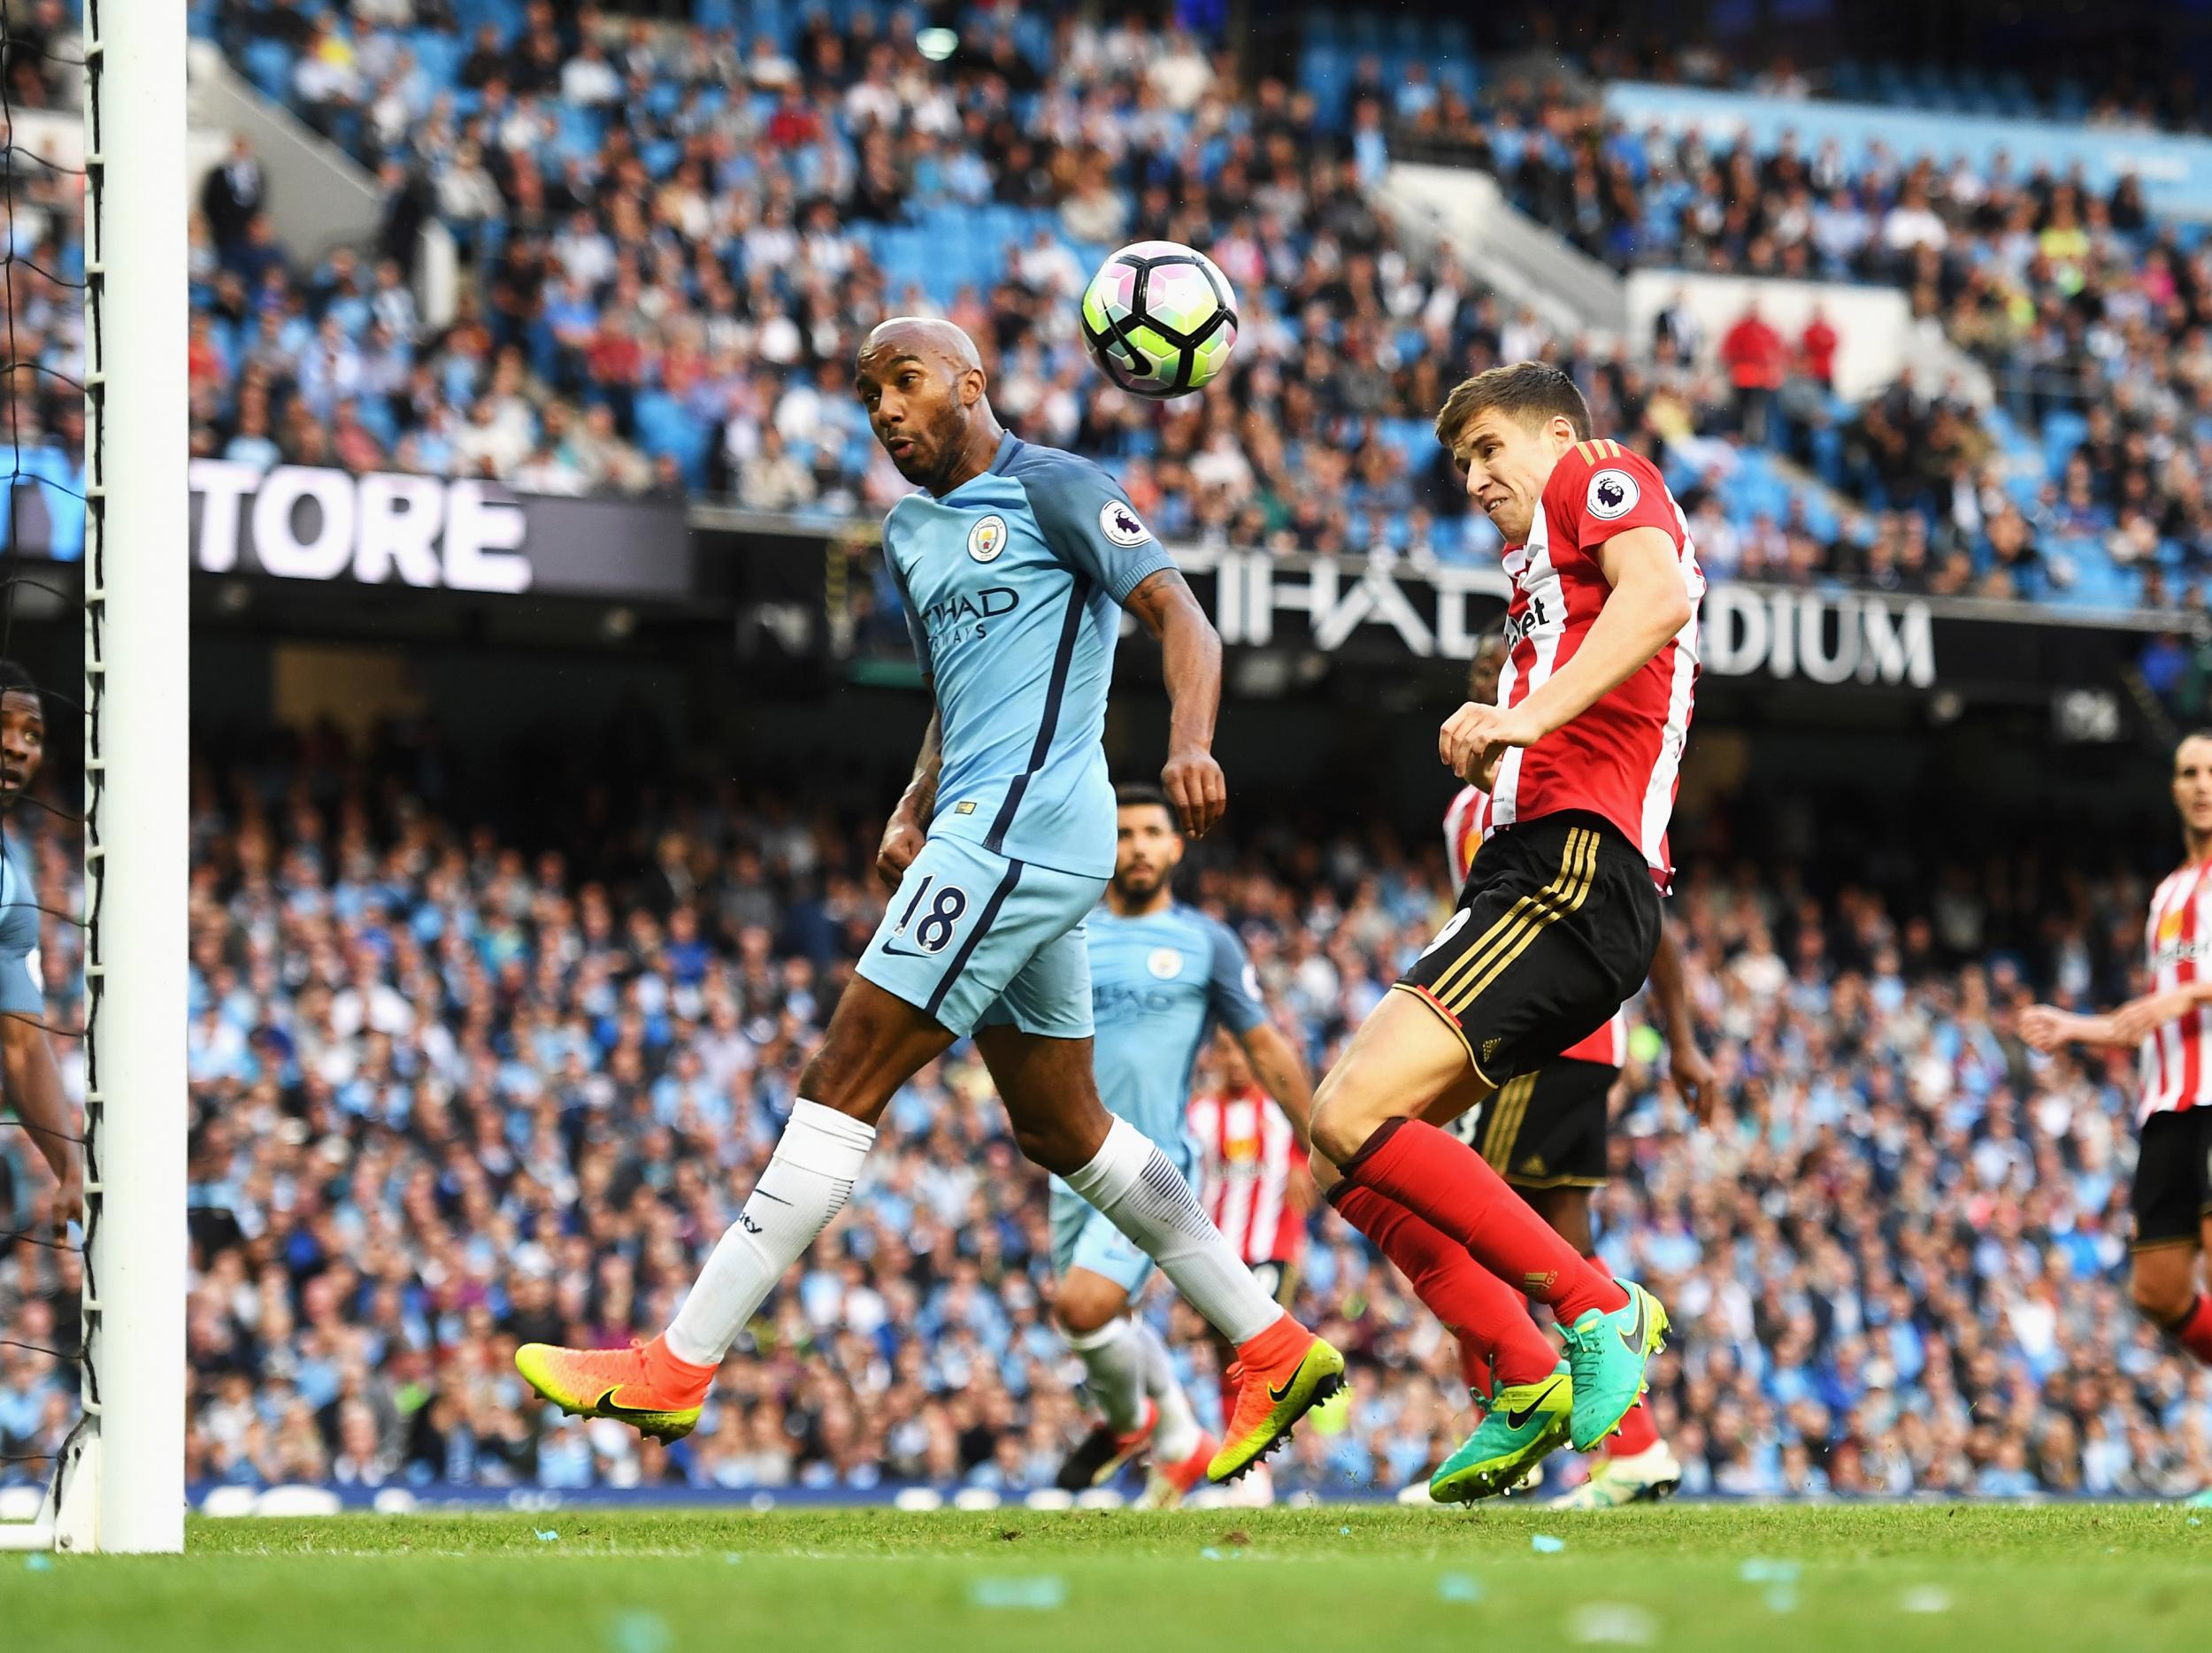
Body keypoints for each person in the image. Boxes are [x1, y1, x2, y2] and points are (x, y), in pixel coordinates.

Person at [515, 319, 1344, 1487]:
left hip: (1028, 830)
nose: (885, 409)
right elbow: (958, 700)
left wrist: (1193, 744)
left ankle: (678, 1365)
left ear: (971, 382)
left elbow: (1184, 618)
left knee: (843, 1073)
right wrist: (912, 801)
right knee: (1060, 1126)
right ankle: (1266, 1339)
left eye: (904, 382)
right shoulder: (909, 532)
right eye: (866, 394)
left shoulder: (1058, 488)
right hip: (973, 828)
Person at [1304, 362, 1704, 1498]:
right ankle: (1525, 1372)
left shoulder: (1601, 473)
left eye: (1488, 449)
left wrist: (1519, 717)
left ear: (1556, 433)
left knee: (1347, 1109)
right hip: (1533, 872)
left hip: (1577, 863)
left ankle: (1596, 1308)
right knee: (1352, 1156)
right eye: (1460, 462)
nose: (1474, 478)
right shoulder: (1539, 561)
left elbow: (1659, 594)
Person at [1430, 627, 1713, 1507]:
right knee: (1561, 1246)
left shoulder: (1549, 792)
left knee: (1463, 1222)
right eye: (1480, 679)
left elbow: (1644, 914)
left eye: (1505, 676)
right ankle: (1634, 1448)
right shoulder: (1473, 811)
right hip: (1568, 1043)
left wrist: (1686, 1037)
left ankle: (1510, 1432)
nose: (1490, 694)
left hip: (1539, 1044)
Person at [1052, 785, 1316, 1508]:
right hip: (1065, 1165)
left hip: (1146, 1161)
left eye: (1150, 832)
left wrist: (1323, 1141)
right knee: (1092, 1320)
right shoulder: (1063, 933)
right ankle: (1178, 1442)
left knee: (1084, 1308)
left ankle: (1136, 1425)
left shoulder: (1207, 943)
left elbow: (1263, 1048)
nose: (1136, 845)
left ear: (1176, 846)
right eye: (1123, 832)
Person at [2022, 731, 2212, 1470]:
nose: (2201, 785)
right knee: (2158, 1290)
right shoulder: (2169, 894)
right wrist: (2077, 1027)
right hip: (2166, 1107)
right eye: (2189, 772)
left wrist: (2184, 995)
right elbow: (2152, 1015)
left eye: (2211, 773)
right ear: (2172, 786)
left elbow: (2178, 1000)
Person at [1187, 1027, 1317, 1507]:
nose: (1236, 1060)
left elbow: (1316, 1144)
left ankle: (1257, 1471)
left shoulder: (1280, 1111)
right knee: (1225, 1360)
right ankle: (1247, 1473)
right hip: (1214, 1252)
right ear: (1214, 1057)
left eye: (1243, 1049)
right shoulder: (1199, 1115)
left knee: (1256, 1356)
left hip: (1270, 1249)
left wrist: (1307, 1166)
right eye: (1226, 1050)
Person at [0, 662, 77, 1238]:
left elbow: (22, 1045)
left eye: (33, 734)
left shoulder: (11, 877)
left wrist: (68, 1165)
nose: (18, 746)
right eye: (3, 724)